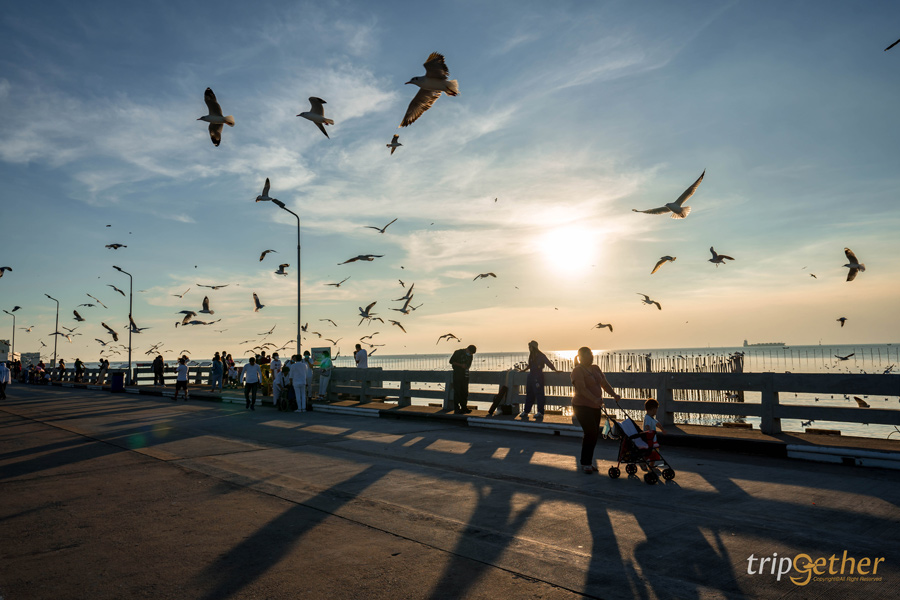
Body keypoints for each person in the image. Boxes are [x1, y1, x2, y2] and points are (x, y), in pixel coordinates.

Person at [571, 346, 621, 474]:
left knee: (594, 434)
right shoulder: (577, 371)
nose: (591, 356)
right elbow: (581, 389)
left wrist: (614, 394)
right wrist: (594, 399)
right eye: (588, 354)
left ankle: (588, 461)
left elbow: (604, 383)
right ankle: (585, 463)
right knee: (590, 432)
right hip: (581, 406)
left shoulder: (595, 368)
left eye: (591, 354)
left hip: (595, 406)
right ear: (581, 357)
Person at [518, 341, 558, 421]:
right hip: (531, 376)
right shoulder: (531, 355)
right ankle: (526, 411)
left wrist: (555, 370)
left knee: (539, 394)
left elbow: (548, 363)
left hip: (538, 376)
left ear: (533, 347)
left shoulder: (541, 355)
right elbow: (530, 365)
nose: (529, 348)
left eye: (530, 347)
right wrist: (524, 370)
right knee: (529, 393)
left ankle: (540, 411)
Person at [449, 345, 477, 414]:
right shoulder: (458, 352)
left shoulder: (470, 356)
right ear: (467, 349)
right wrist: (461, 365)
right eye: (470, 353)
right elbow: (451, 361)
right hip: (457, 374)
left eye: (471, 354)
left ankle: (464, 407)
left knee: (465, 392)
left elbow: (469, 365)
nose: (470, 354)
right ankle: (456, 408)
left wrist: (466, 366)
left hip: (465, 375)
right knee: (457, 392)